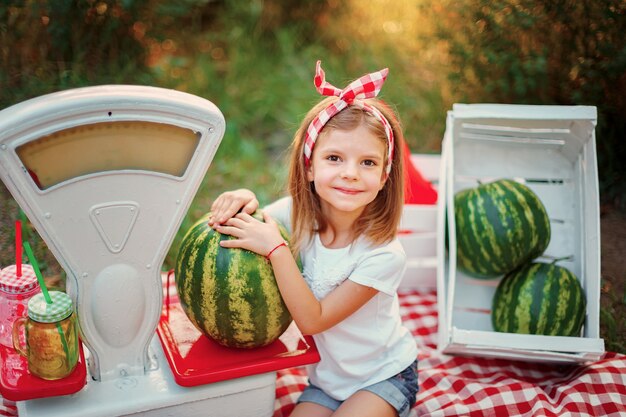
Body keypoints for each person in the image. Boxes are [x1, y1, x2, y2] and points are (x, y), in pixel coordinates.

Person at [209, 61, 418, 417]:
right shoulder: (298, 214)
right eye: (334, 158)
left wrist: (276, 249)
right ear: (310, 166)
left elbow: (313, 320)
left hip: (384, 376)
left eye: (367, 163)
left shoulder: (384, 254)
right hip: (326, 379)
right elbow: (258, 219)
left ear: (385, 176)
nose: (350, 174)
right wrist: (245, 196)